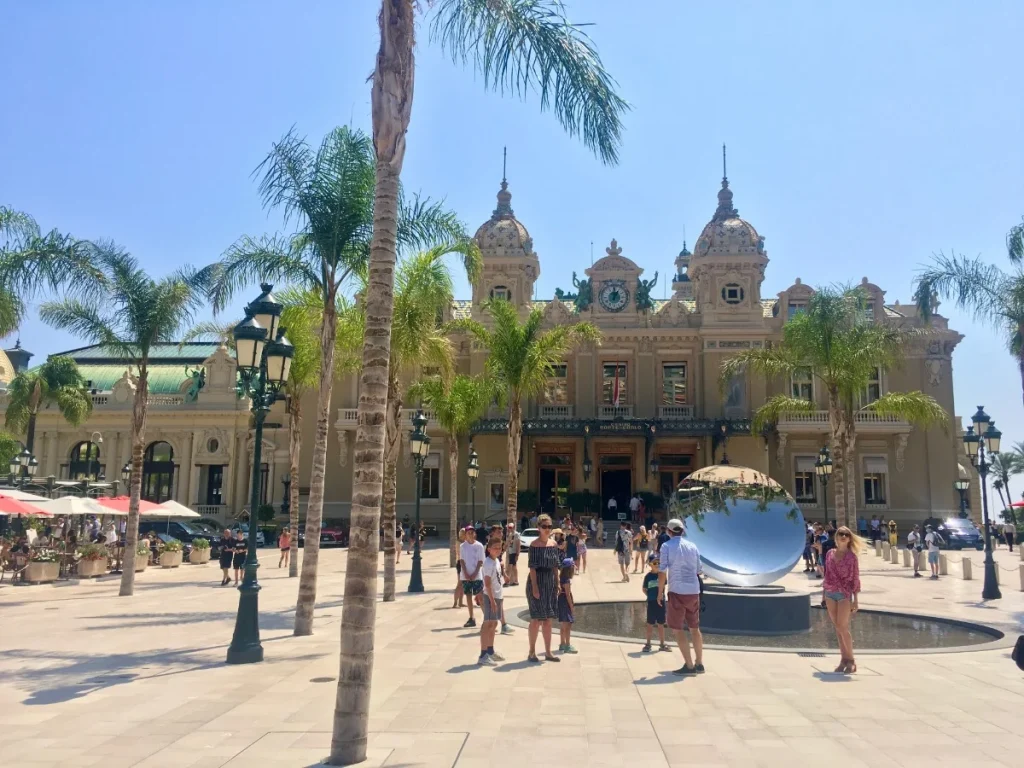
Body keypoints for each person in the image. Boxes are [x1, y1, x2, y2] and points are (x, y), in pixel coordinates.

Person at [657, 518, 704, 676]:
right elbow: (699, 570)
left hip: (677, 591)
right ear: (682, 531)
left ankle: (689, 666)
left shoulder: (666, 546)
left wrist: (659, 592)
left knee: (677, 629)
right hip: (693, 591)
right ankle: (699, 663)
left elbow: (662, 570)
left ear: (669, 532)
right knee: (694, 628)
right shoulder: (693, 546)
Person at [822, 526, 863, 674]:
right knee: (837, 628)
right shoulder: (829, 554)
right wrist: (823, 594)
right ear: (836, 537)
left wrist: (855, 600)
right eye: (841, 534)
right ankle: (843, 659)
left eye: (846, 534)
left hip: (844, 594)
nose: (843, 536)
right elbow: (827, 574)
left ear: (850, 538)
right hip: (830, 593)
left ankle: (851, 660)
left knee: (843, 627)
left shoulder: (852, 557)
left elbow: (855, 578)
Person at [526, 514, 561, 663]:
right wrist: (535, 588)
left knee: (548, 620)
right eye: (544, 526)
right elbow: (532, 568)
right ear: (539, 528)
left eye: (549, 527)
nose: (547, 529)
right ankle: (532, 652)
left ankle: (548, 652)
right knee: (536, 620)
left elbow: (555, 566)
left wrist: (557, 582)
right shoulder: (534, 545)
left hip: (550, 583)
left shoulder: (553, 545)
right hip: (536, 582)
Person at [478, 537, 506, 665]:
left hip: (498, 595)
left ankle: (490, 650)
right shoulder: (488, 563)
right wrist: (492, 600)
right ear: (489, 549)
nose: (498, 550)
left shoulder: (496, 561)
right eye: (495, 548)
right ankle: (483, 655)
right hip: (491, 597)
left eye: (499, 548)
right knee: (487, 623)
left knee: (494, 624)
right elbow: (487, 584)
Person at [642, 554, 669, 653]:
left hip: (661, 602)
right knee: (650, 623)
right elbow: (644, 589)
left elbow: (664, 587)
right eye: (655, 563)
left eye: (659, 562)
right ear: (650, 564)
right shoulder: (648, 577)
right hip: (652, 602)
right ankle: (648, 643)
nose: (657, 564)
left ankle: (662, 643)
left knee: (661, 623)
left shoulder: (662, 575)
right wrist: (650, 596)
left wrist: (661, 596)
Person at [459, 526, 485, 628]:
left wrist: (475, 573)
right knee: (468, 596)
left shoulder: (479, 546)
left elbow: (480, 561)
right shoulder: (462, 546)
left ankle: (487, 619)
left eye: (472, 532)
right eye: (468, 532)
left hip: (477, 575)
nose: (470, 534)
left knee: (480, 597)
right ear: (465, 534)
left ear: (474, 534)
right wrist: (465, 573)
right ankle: (471, 618)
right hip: (466, 576)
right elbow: (462, 560)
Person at [557, 557, 577, 654]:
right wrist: (571, 607)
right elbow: (568, 595)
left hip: (561, 601)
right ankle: (567, 645)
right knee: (568, 625)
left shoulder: (560, 578)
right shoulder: (567, 581)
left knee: (562, 625)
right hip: (565, 602)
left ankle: (562, 643)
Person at [453, 529, 466, 609]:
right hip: (460, 563)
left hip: (465, 564)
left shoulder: (465, 543)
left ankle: (461, 602)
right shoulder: (460, 543)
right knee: (459, 584)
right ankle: (455, 602)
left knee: (463, 584)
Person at [505, 522, 521, 586]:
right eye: (508, 527)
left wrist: (517, 554)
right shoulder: (508, 534)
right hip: (510, 551)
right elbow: (507, 543)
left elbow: (518, 544)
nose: (509, 529)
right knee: (514, 567)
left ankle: (508, 581)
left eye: (510, 527)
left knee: (510, 566)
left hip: (514, 552)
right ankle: (515, 581)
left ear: (514, 527)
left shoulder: (516, 534)